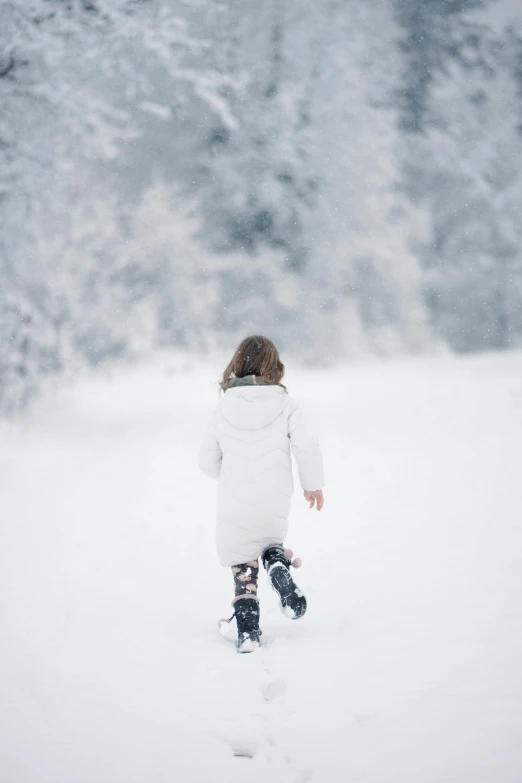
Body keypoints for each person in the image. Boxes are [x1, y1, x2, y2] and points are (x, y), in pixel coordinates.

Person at [198, 335, 324, 653]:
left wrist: (226, 474)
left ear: (237, 365)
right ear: (274, 366)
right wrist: (313, 485)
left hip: (234, 499)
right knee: (269, 542)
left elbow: (206, 460)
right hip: (274, 496)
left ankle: (248, 632)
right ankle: (278, 566)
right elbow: (307, 446)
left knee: (243, 565)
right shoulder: (286, 404)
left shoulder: (223, 406)